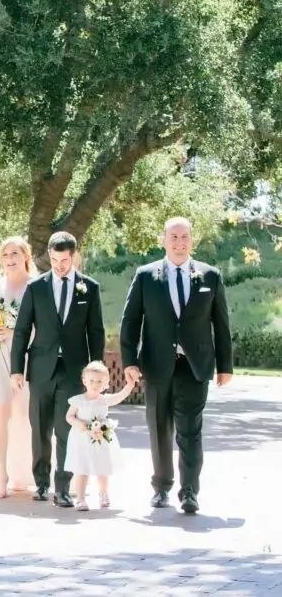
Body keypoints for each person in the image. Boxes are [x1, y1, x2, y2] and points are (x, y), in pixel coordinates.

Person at [120, 217, 232, 514]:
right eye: (174, 237)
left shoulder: (210, 276)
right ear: (164, 240)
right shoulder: (145, 276)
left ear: (191, 240)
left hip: (195, 366)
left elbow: (221, 324)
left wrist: (225, 366)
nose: (179, 242)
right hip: (157, 365)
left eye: (184, 237)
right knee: (159, 428)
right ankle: (161, 487)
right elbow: (130, 322)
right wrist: (129, 361)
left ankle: (190, 492)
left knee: (190, 430)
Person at [11, 231, 105, 508]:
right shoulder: (36, 287)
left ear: (73, 256)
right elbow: (22, 330)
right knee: (39, 428)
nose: (59, 265)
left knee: (67, 429)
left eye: (64, 260)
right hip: (41, 367)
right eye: (54, 260)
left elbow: (96, 332)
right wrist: (17, 369)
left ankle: (63, 488)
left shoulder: (90, 287)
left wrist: (96, 374)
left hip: (74, 370)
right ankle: (41, 483)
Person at [0, 236, 35, 498]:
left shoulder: (37, 285)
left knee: (23, 417)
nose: (10, 259)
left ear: (25, 256)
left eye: (15, 254)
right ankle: (0, 474)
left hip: (26, 356)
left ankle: (24, 473)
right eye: (5, 255)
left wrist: (16, 328)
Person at [64, 361, 136, 511]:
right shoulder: (78, 400)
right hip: (82, 438)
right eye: (91, 381)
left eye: (99, 381)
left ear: (106, 383)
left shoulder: (104, 400)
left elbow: (120, 396)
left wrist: (129, 386)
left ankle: (103, 493)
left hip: (100, 437)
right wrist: (84, 426)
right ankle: (81, 498)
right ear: (84, 381)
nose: (95, 384)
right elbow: (69, 417)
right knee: (82, 469)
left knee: (102, 468)